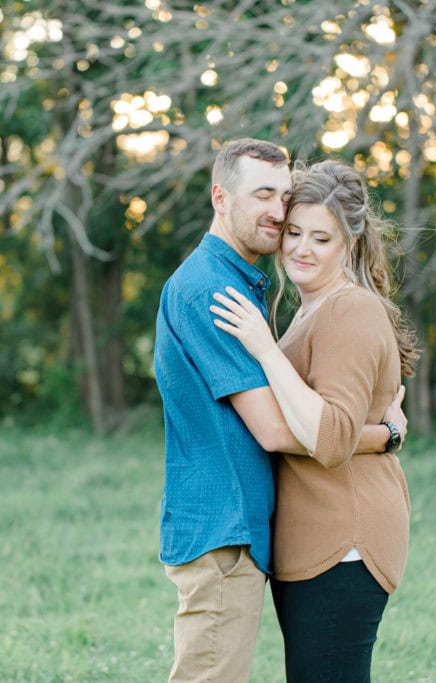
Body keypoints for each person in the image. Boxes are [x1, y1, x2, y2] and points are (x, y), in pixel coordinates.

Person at [154, 140, 406, 683]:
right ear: (221, 198)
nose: (277, 215)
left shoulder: (295, 301)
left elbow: (319, 426)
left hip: (313, 536)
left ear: (348, 242)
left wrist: (373, 433)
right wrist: (382, 434)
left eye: (283, 198)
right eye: (263, 196)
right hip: (227, 527)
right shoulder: (214, 290)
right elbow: (273, 428)